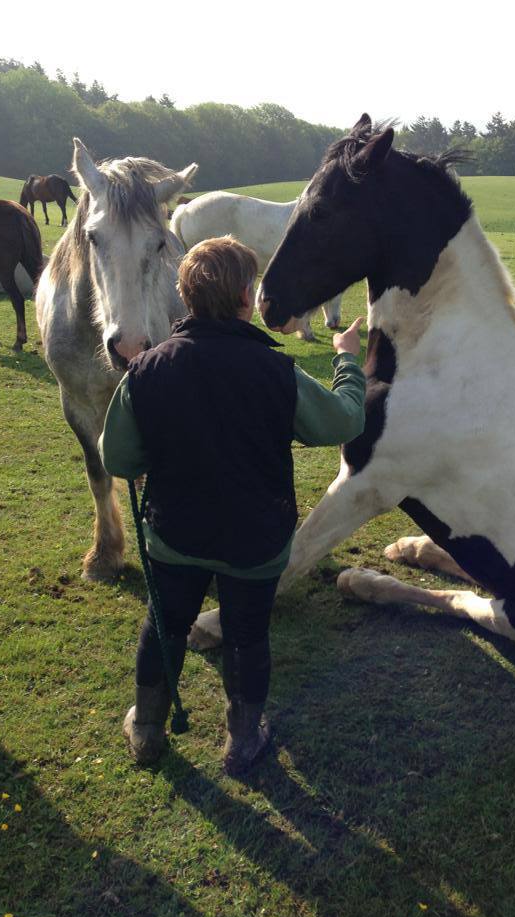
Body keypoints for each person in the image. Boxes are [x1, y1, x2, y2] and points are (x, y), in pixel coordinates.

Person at [98, 235, 366, 774]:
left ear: (185, 296)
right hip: (255, 543)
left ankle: (147, 730)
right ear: (247, 297)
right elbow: (344, 421)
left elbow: (119, 461)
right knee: (248, 636)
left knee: (165, 625)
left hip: (175, 536)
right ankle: (243, 742)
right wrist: (347, 362)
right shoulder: (279, 373)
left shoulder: (146, 372)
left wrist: (144, 390)